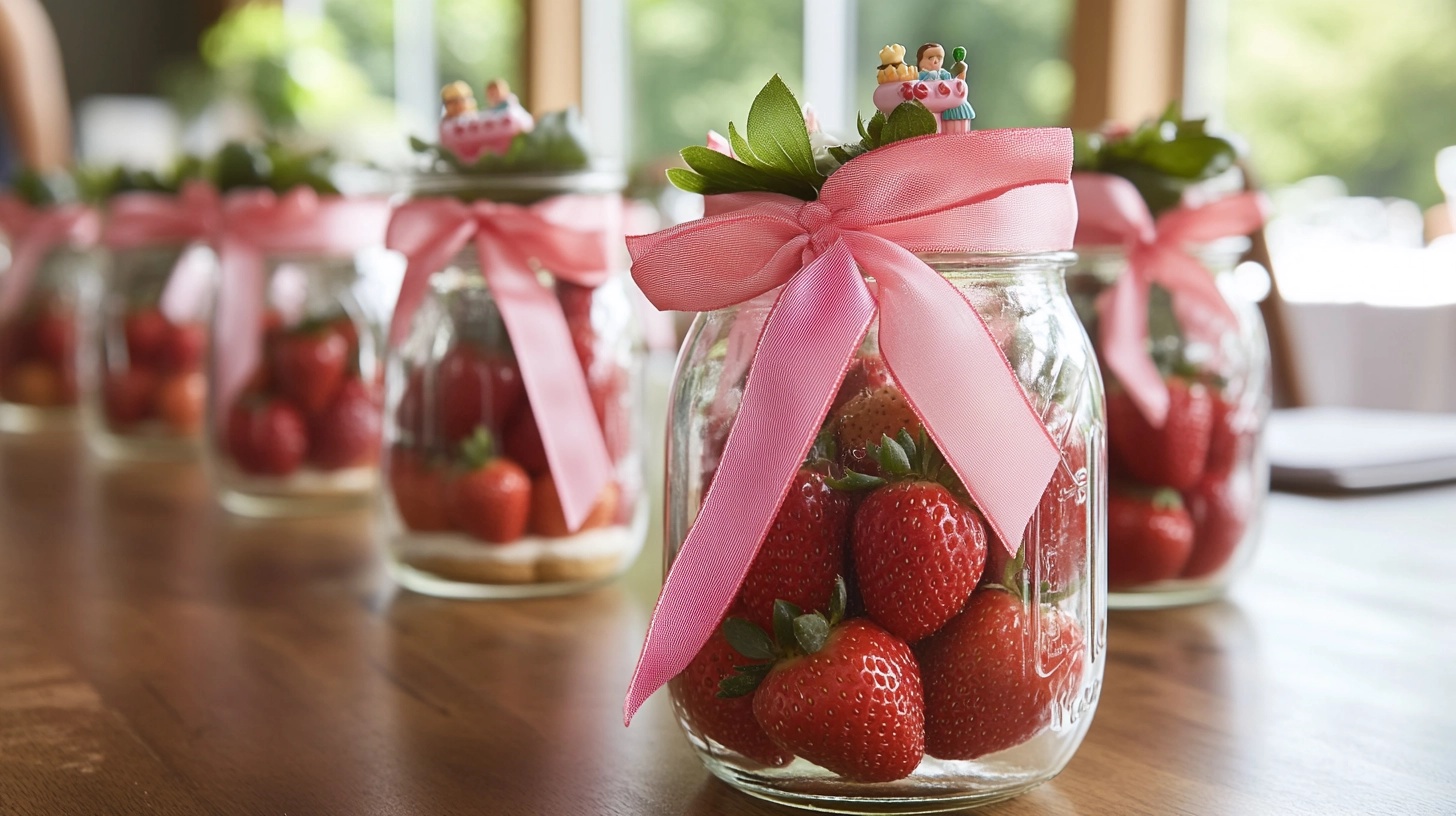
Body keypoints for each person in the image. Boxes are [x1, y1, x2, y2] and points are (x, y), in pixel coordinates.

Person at [916, 42, 975, 134]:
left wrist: (961, 70)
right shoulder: (919, 76)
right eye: (930, 58)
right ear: (920, 60)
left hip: (944, 108)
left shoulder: (943, 74)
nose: (935, 61)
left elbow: (955, 82)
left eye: (939, 58)